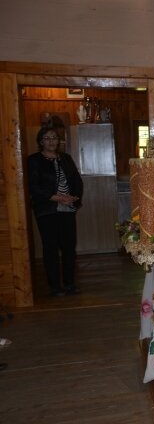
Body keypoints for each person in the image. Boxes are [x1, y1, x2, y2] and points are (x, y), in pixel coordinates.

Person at [27, 123, 84, 296]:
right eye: (47, 138)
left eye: (54, 138)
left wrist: (74, 198)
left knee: (68, 247)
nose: (51, 141)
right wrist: (57, 198)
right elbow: (34, 186)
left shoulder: (65, 158)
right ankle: (54, 286)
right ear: (41, 142)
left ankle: (69, 284)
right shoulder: (34, 160)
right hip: (48, 209)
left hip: (67, 209)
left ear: (58, 141)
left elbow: (76, 181)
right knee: (50, 248)